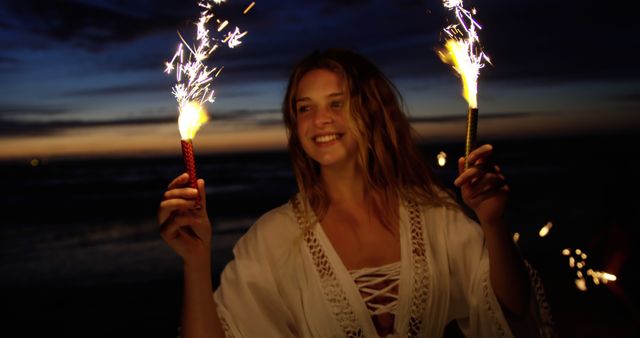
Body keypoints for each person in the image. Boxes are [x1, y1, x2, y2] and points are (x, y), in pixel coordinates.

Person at [158, 49, 555, 338]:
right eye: (304, 108)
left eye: (337, 102)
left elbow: (510, 312)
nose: (320, 120)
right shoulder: (272, 239)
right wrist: (195, 261)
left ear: (371, 111)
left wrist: (491, 222)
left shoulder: (434, 215)